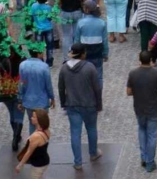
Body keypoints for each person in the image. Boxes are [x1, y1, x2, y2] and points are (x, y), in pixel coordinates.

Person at [58, 43, 103, 171]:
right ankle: (93, 153)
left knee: (75, 133)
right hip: (89, 105)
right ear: (83, 53)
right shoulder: (90, 68)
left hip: (72, 105)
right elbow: (97, 89)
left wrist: (63, 103)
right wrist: (99, 105)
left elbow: (61, 88)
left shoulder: (64, 68)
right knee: (91, 129)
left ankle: (77, 162)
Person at [127, 51, 157, 172]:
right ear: (151, 61)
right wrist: (155, 92)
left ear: (140, 60)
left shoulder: (133, 73)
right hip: (153, 109)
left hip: (139, 108)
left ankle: (143, 157)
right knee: (152, 136)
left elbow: (128, 92)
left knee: (142, 130)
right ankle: (150, 162)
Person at [15, 109, 51, 177]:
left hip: (38, 164)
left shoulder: (36, 136)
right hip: (44, 160)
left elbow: (29, 152)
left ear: (39, 120)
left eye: (34, 117)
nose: (31, 118)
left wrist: (20, 165)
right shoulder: (46, 130)